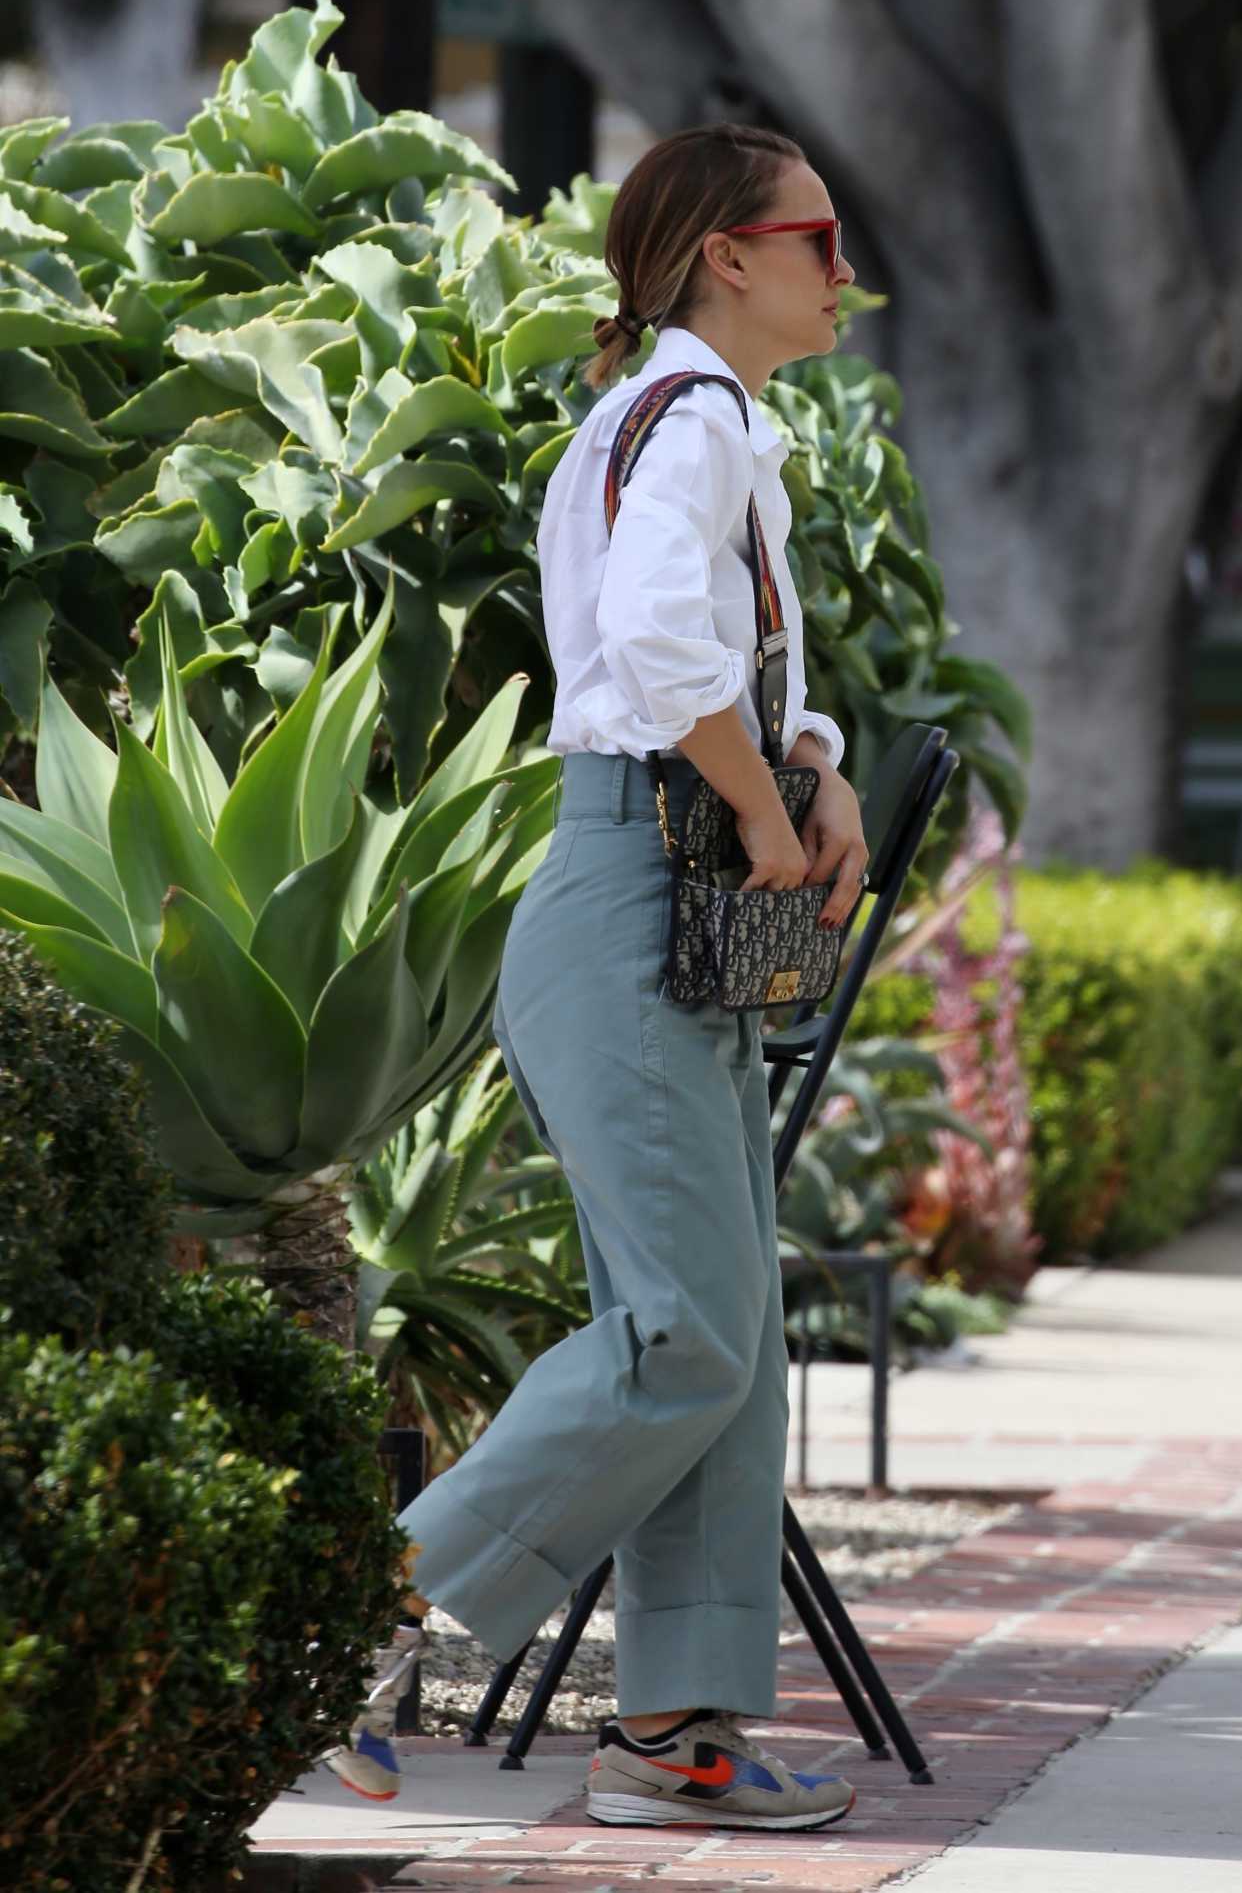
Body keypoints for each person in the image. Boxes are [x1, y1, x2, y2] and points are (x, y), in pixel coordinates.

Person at [328, 122, 870, 1832]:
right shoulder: (691, 416)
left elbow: (686, 642)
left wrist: (818, 761)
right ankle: (352, 1622)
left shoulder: (697, 422)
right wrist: (759, 813)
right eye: (823, 237)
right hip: (644, 894)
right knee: (687, 1333)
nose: (843, 271)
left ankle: (670, 1740)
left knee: (730, 1335)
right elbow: (645, 652)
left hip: (656, 895)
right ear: (729, 253)